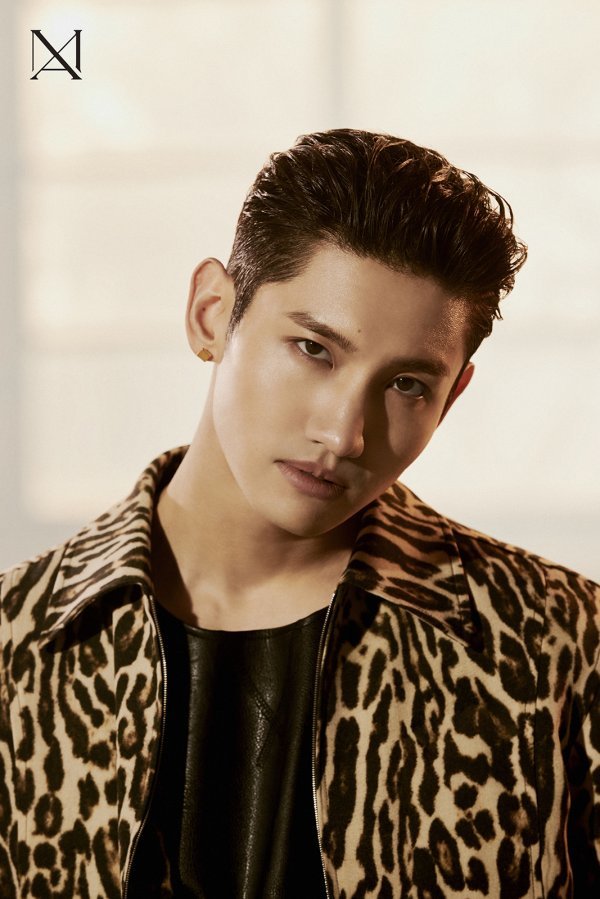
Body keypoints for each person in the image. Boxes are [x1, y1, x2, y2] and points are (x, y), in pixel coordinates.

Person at [0, 129, 598, 899]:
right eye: (315, 349)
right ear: (212, 314)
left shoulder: (558, 644)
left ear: (452, 397)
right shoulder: (16, 646)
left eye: (407, 385)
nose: (344, 434)